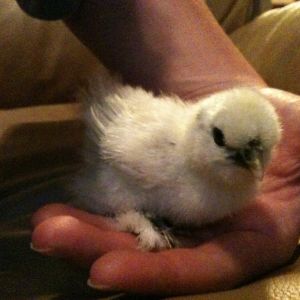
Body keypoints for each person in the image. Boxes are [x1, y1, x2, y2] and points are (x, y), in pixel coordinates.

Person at [6, 0, 300, 296]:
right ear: (202, 128)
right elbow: (105, 114)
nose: (252, 165)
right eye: (223, 143)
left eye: (261, 153)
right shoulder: (162, 148)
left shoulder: (241, 188)